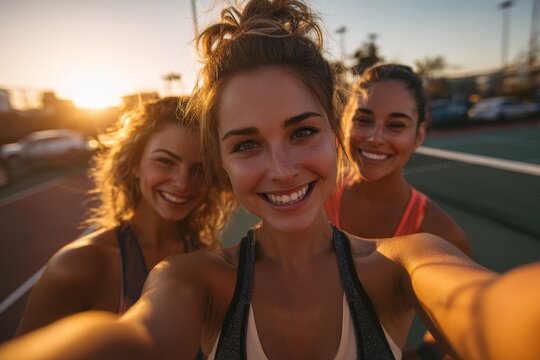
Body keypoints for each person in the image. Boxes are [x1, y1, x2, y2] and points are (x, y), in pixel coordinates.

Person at [1, 1, 539, 360]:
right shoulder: (192, 280)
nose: (281, 169)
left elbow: (493, 307)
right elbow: (131, 339)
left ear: (334, 131)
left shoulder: (407, 261)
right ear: (224, 161)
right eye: (247, 144)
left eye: (303, 131)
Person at [16, 97, 234, 336]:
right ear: (135, 165)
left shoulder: (207, 258)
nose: (182, 183)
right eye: (165, 161)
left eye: (200, 169)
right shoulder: (80, 265)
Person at [324, 64, 473, 359]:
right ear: (344, 122)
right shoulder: (314, 196)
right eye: (363, 120)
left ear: (419, 135)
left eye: (396, 125)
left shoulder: (440, 231)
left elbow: (466, 324)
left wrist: (423, 355)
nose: (375, 138)